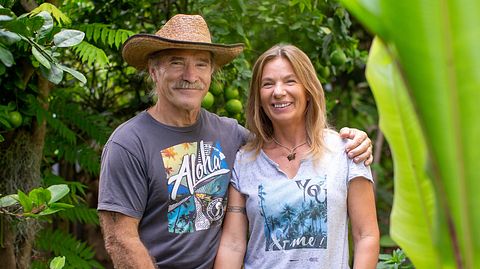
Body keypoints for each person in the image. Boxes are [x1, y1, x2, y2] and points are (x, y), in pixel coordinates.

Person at [97, 15, 374, 269]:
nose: (190, 75)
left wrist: (355, 141)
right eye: (176, 62)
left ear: (211, 73)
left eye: (201, 64)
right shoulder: (128, 143)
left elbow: (280, 144)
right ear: (154, 70)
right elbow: (120, 240)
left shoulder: (232, 136)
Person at [214, 44, 379, 269]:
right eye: (268, 84)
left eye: (290, 81)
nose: (278, 91)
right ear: (259, 97)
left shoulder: (346, 150)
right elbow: (232, 244)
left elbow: (366, 235)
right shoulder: (245, 160)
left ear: (308, 90)